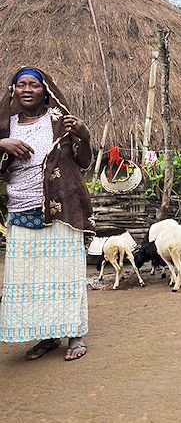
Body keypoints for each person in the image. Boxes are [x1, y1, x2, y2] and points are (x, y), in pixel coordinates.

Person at [0, 67, 95, 361]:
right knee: (30, 280)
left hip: (61, 208)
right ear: (13, 91)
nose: (27, 90)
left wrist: (85, 136)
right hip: (20, 207)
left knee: (66, 275)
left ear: (46, 91)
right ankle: (48, 336)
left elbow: (84, 161)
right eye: (21, 85)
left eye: (34, 85)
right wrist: (1, 144)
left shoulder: (61, 123)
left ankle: (75, 335)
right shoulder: (6, 126)